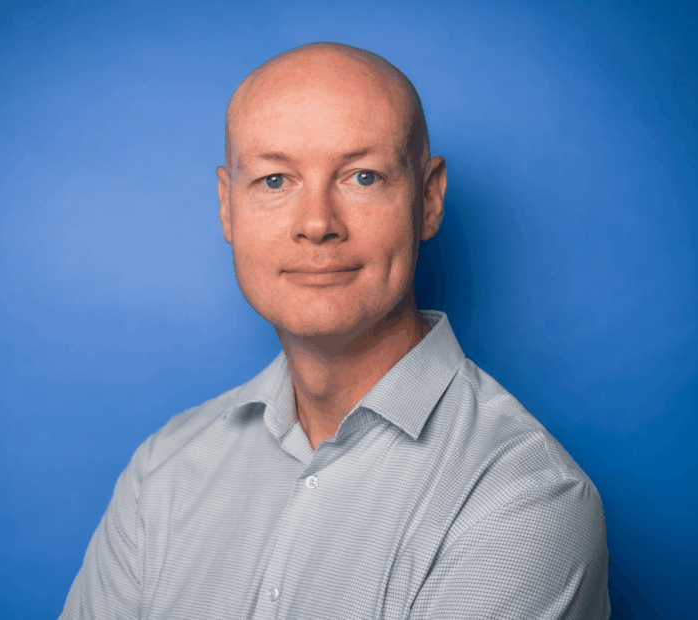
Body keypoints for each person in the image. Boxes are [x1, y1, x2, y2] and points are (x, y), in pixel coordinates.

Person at [60, 42, 610, 619]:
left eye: (362, 176)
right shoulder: (165, 469)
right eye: (275, 181)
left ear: (428, 198)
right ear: (227, 206)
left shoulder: (524, 497)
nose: (318, 223)